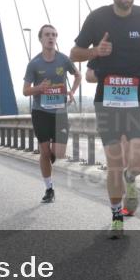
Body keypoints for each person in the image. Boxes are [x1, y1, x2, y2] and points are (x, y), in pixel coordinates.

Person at [71, 0, 140, 237]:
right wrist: (95, 51)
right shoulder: (97, 19)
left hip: (137, 99)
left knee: (138, 161)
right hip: (107, 103)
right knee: (115, 163)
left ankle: (131, 180)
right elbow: (75, 53)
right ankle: (116, 218)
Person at [23, 24, 81, 203]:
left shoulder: (64, 60)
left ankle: (52, 155)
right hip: (40, 112)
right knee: (45, 152)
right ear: (40, 39)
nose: (51, 38)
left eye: (54, 35)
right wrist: (39, 88)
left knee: (59, 153)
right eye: (47, 35)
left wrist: (72, 91)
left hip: (59, 112)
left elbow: (77, 75)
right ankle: (49, 189)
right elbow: (25, 91)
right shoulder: (34, 63)